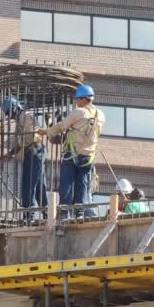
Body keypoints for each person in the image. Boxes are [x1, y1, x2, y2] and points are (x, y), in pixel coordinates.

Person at [38, 85, 105, 218]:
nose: (76, 102)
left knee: (66, 184)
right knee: (82, 185)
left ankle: (64, 212)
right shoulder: (101, 115)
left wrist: (46, 131)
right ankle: (79, 213)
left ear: (83, 99)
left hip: (72, 155)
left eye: (77, 99)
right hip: (88, 157)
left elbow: (61, 126)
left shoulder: (78, 112)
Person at [1, 97, 48, 213]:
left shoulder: (26, 116)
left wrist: (15, 151)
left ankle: (29, 212)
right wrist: (10, 153)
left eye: (9, 112)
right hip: (31, 152)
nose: (9, 116)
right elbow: (20, 142)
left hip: (35, 151)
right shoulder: (20, 119)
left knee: (29, 183)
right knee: (38, 184)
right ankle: (46, 210)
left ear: (15, 108)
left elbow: (31, 137)